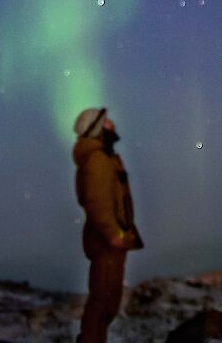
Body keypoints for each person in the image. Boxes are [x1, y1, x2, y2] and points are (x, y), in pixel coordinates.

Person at [73, 107, 142, 343]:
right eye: (107, 122)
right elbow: (97, 201)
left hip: (110, 240)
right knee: (102, 303)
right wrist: (113, 234)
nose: (112, 124)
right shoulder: (98, 160)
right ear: (98, 129)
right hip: (107, 241)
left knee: (106, 303)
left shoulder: (104, 158)